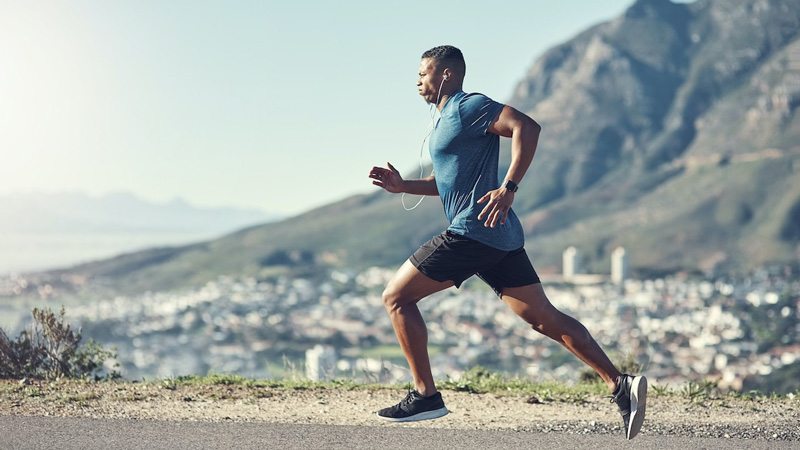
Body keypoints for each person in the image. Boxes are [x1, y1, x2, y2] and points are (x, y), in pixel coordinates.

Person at [368, 45, 647, 440]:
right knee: (543, 318)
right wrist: (403, 186)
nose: (417, 82)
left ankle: (425, 395)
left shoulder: (469, 106)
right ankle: (621, 386)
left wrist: (509, 186)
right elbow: (443, 183)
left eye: (423, 74)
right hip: (497, 237)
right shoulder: (448, 119)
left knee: (396, 297)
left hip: (473, 231)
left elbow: (527, 127)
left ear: (446, 74)